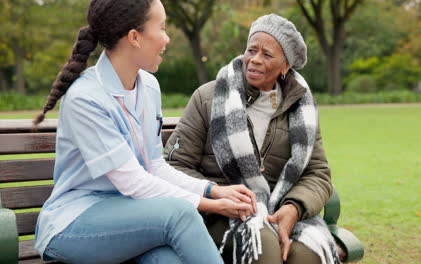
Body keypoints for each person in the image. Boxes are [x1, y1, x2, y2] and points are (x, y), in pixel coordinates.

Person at [32, 0, 256, 263]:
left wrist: (212, 190)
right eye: (161, 28)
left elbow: (153, 167)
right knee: (181, 213)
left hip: (133, 215)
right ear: (134, 37)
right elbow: (133, 182)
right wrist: (210, 204)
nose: (167, 38)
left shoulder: (148, 87)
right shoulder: (86, 98)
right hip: (73, 224)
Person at [164, 14, 343, 264]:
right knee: (263, 246)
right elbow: (174, 166)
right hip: (218, 211)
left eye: (267, 55)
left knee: (306, 254)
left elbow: (318, 173)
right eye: (252, 50)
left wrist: (293, 208)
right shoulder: (208, 97)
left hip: (279, 209)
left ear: (285, 67)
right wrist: (219, 195)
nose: (255, 60)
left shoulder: (302, 109)